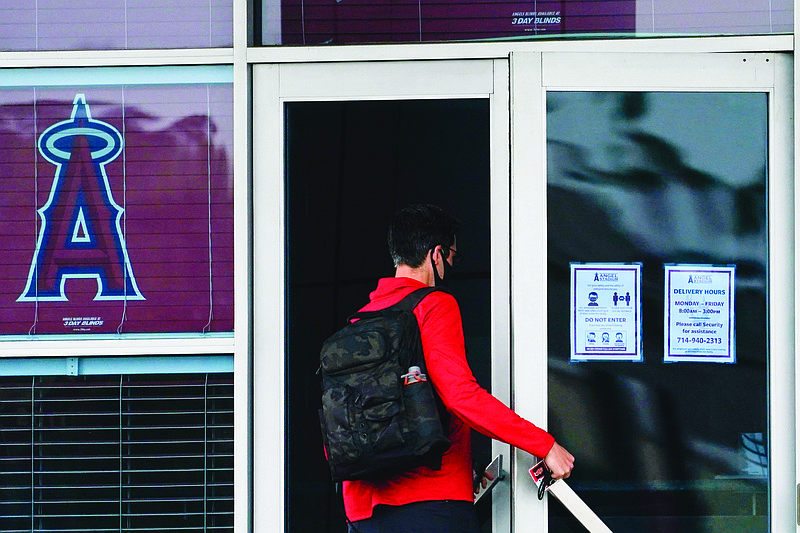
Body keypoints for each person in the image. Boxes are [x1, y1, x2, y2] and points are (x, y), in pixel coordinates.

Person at [344, 204, 574, 533]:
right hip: (431, 506)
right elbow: (461, 396)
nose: (452, 265)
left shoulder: (358, 321)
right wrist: (544, 444)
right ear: (435, 254)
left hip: (362, 509)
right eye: (453, 256)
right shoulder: (434, 305)